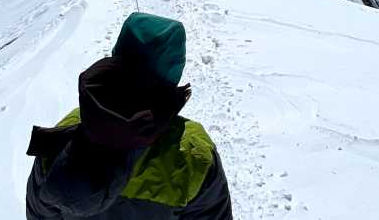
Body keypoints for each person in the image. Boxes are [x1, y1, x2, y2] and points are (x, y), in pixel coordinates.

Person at [25, 12, 232, 220]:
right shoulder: (194, 151)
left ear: (116, 56)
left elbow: (39, 214)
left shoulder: (65, 132)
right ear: (174, 74)